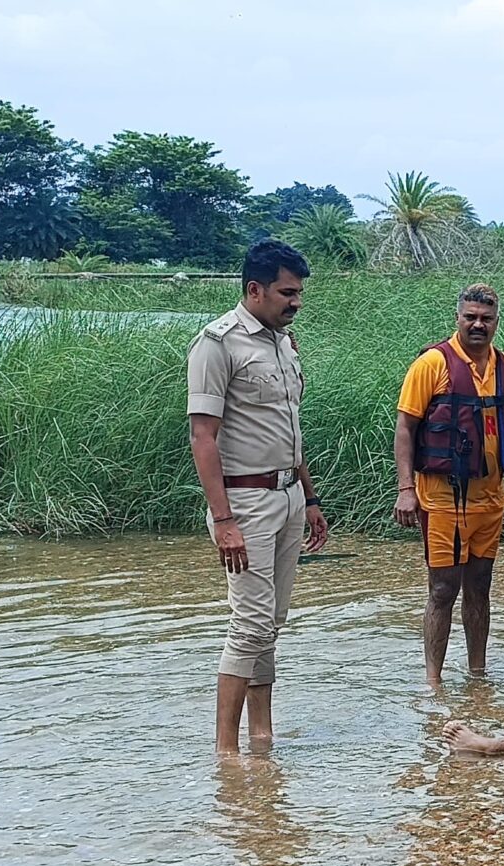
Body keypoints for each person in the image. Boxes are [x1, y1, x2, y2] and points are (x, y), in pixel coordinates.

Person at [188, 240, 329, 754]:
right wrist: (223, 519)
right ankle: (226, 750)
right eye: (287, 293)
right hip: (244, 503)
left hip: (289, 496)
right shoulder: (217, 344)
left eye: (298, 293)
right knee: (248, 622)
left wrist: (310, 499)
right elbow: (203, 437)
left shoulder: (283, 343)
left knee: (271, 622)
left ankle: (261, 734)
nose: (296, 302)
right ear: (255, 289)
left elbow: (289, 432)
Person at [394, 284, 504, 686]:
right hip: (442, 498)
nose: (478, 325)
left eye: (486, 318)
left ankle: (477, 675)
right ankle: (433, 680)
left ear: (497, 321)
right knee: (444, 589)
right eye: (471, 317)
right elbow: (406, 427)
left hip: (490, 497)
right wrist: (405, 489)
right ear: (458, 318)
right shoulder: (433, 363)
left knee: (480, 586)